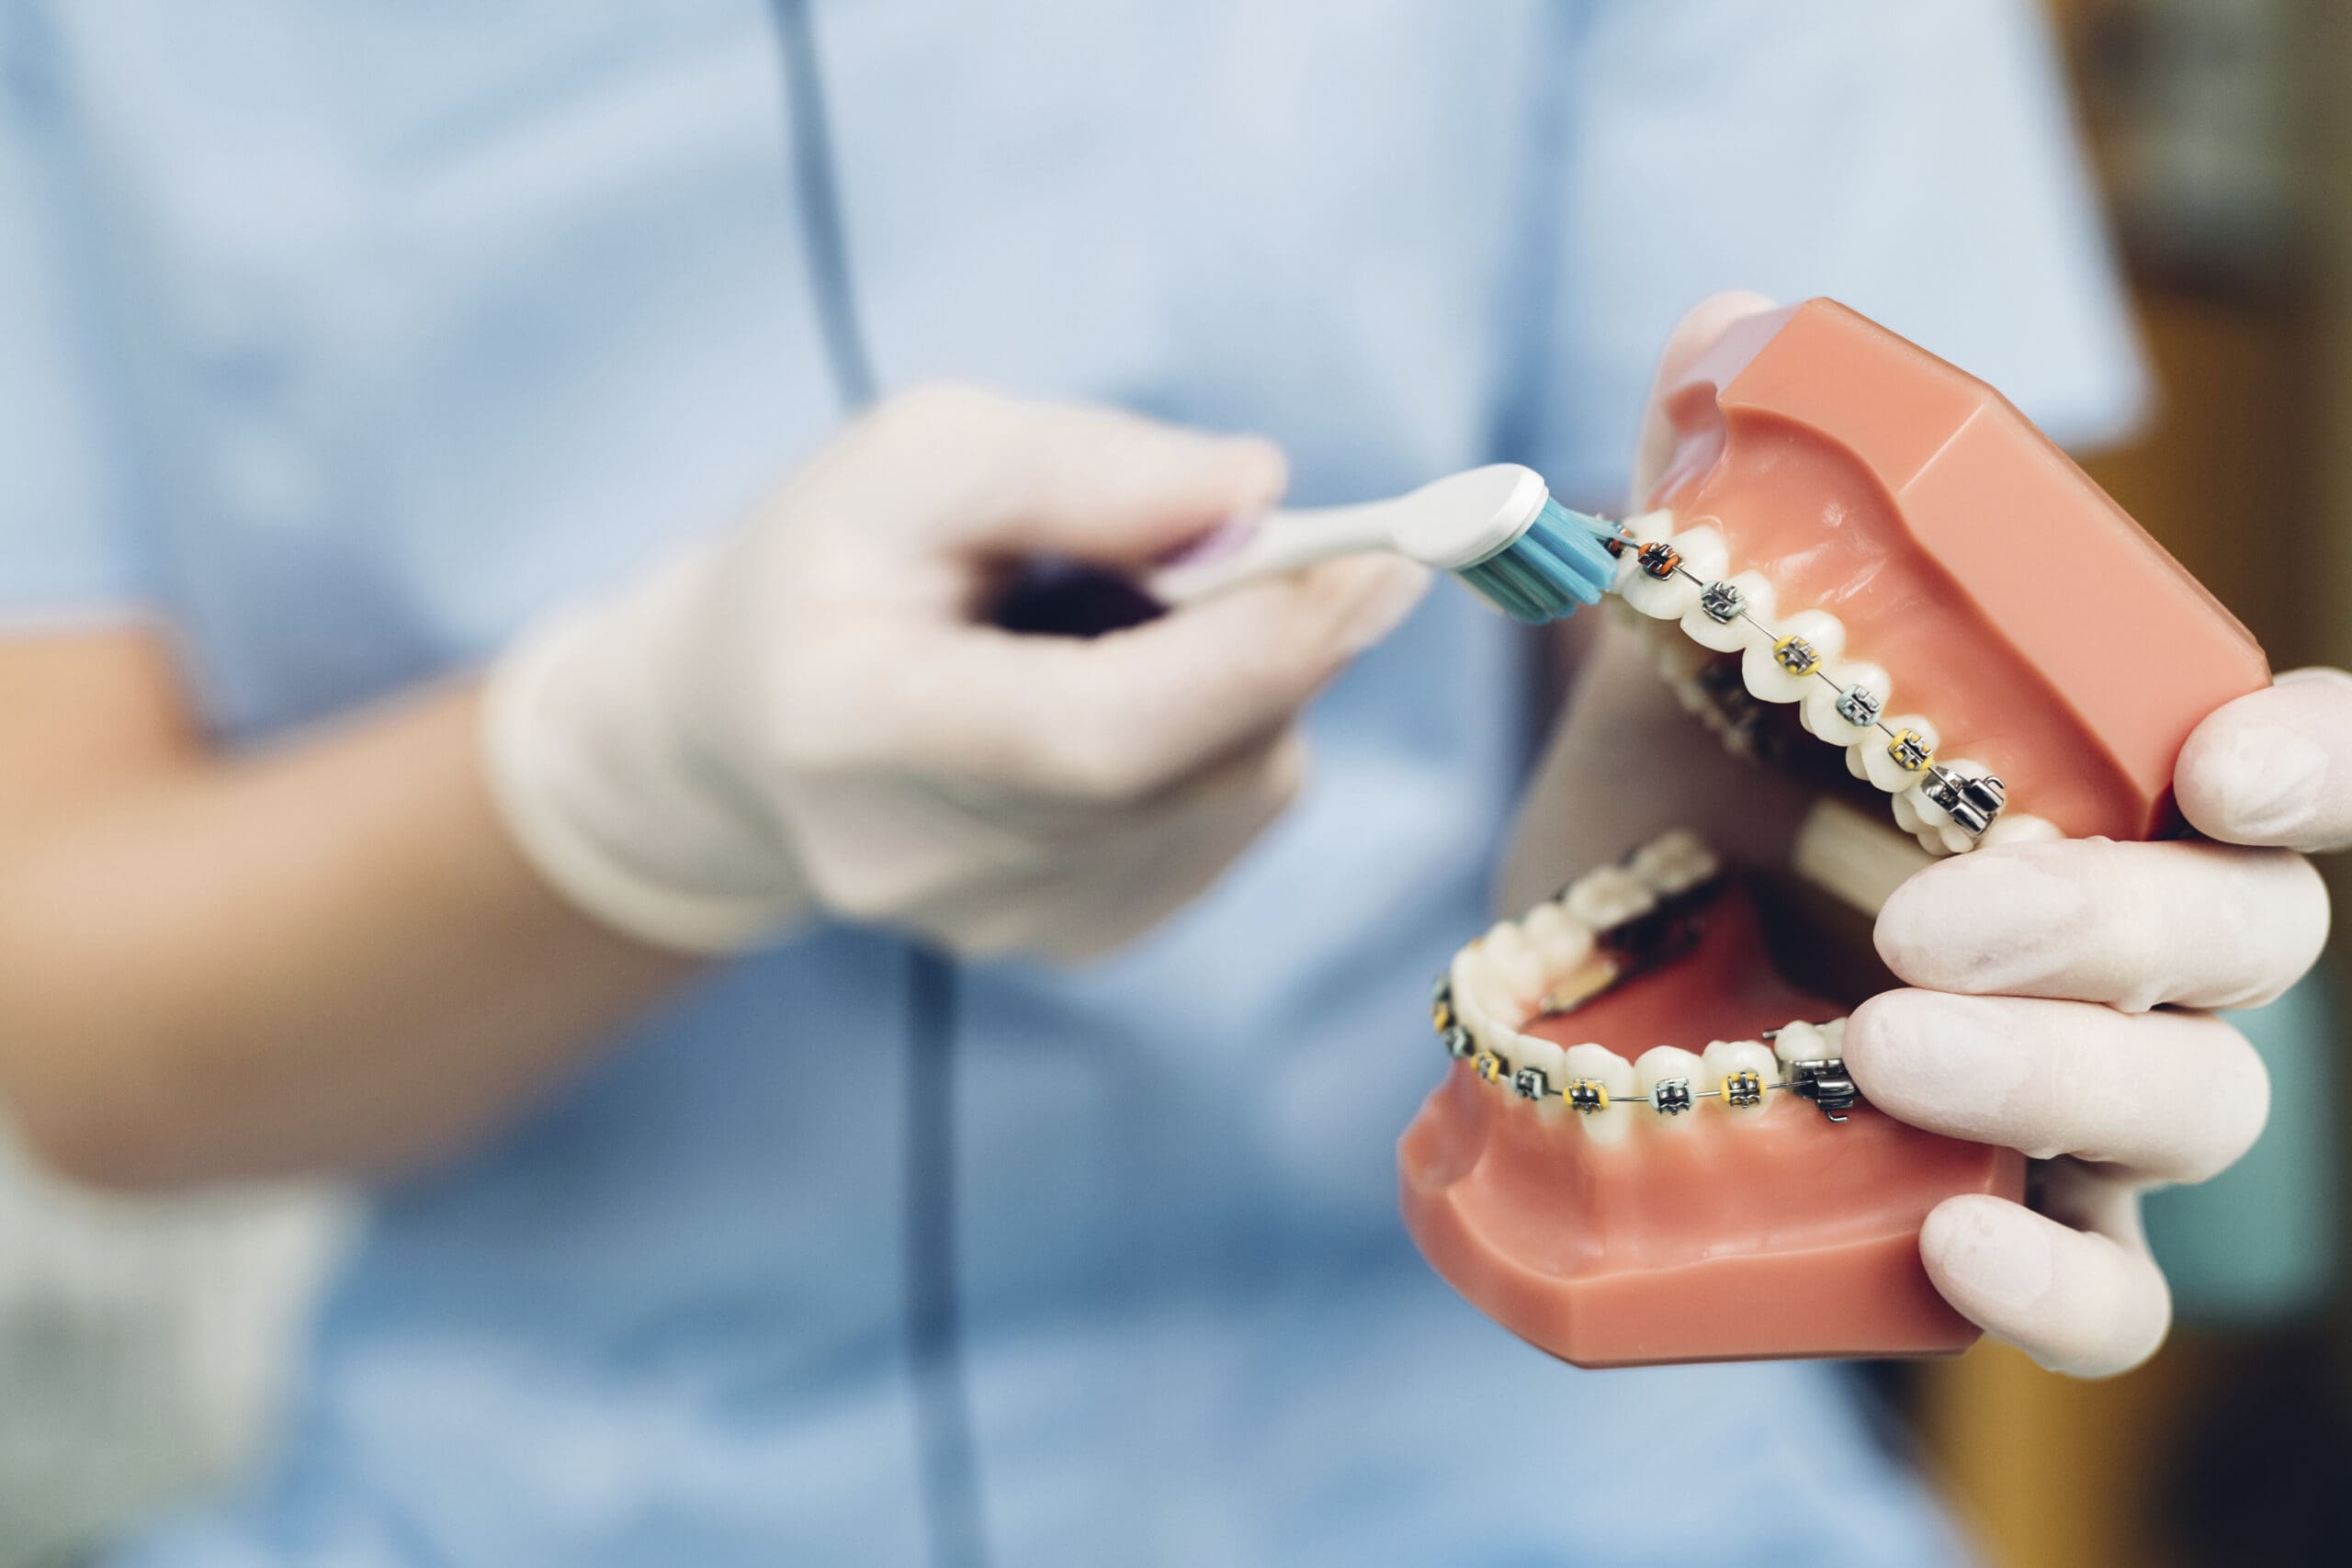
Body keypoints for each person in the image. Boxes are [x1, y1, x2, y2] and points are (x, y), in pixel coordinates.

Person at [0, 3, 2337, 1562]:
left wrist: (1791, 868)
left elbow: (1857, 530)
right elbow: (71, 1016)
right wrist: (618, 787)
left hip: (1553, 1490)